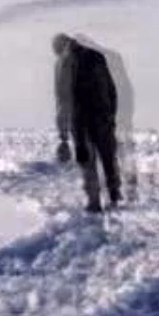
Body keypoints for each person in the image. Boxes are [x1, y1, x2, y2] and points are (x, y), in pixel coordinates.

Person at [53, 32, 122, 213]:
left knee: (87, 160)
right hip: (103, 115)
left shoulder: (63, 63)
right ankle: (114, 194)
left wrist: (63, 135)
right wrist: (111, 114)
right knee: (108, 155)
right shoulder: (96, 56)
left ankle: (94, 201)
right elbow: (111, 89)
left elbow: (62, 100)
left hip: (80, 119)